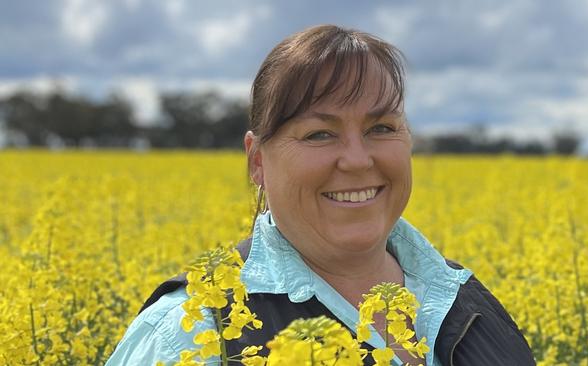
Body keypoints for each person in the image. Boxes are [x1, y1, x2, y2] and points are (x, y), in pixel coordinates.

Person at [107, 25, 535, 366]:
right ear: (257, 161)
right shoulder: (185, 331)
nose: (356, 159)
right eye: (319, 134)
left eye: (381, 128)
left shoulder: (463, 295)